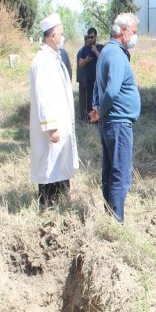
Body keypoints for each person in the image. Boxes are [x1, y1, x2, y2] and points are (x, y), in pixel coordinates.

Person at [91, 13, 141, 222]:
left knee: (110, 170)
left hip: (110, 121)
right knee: (120, 174)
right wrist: (101, 111)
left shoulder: (106, 52)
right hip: (118, 122)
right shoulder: (117, 54)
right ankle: (116, 221)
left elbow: (97, 85)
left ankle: (110, 216)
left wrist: (97, 108)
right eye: (134, 32)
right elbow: (111, 91)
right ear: (123, 30)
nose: (135, 36)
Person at [29, 13, 79, 210]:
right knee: (49, 165)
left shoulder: (54, 58)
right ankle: (47, 205)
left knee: (59, 164)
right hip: (51, 127)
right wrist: (51, 127)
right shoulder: (42, 61)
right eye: (61, 34)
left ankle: (61, 199)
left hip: (61, 123)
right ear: (51, 35)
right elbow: (43, 97)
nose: (62, 37)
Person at [78, 27, 103, 122]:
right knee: (90, 101)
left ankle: (99, 119)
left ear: (96, 37)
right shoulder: (84, 49)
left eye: (92, 37)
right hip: (89, 79)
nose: (89, 39)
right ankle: (90, 119)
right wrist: (86, 60)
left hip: (100, 80)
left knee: (99, 100)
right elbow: (80, 65)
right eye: (88, 37)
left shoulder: (101, 47)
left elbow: (104, 60)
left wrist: (95, 51)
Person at [76, 35, 90, 119]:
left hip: (83, 78)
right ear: (85, 40)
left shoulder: (82, 51)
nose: (89, 41)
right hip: (83, 79)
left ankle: (84, 116)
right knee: (83, 98)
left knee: (84, 98)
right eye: (88, 39)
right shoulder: (83, 51)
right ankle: (83, 116)